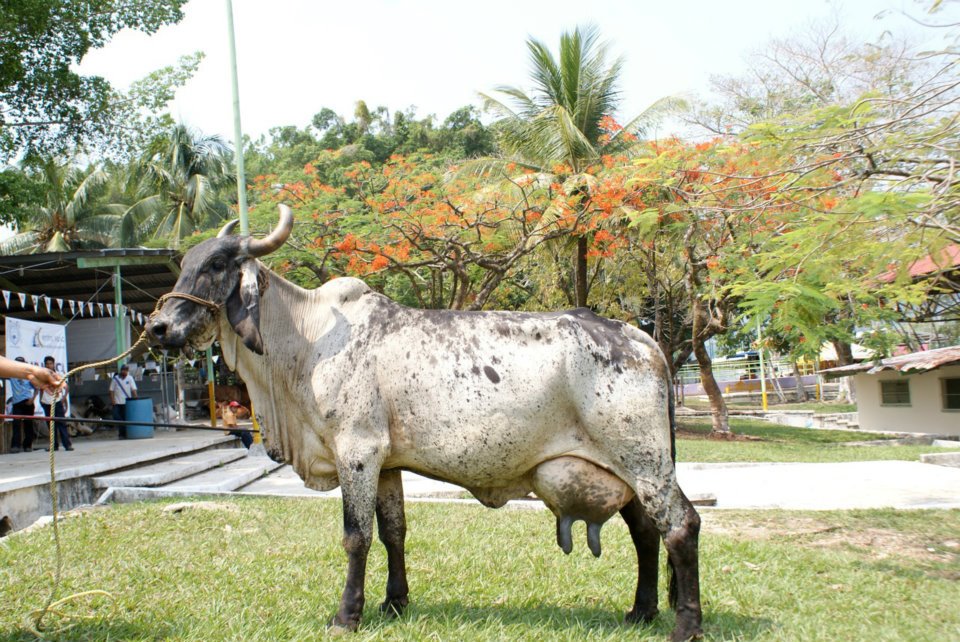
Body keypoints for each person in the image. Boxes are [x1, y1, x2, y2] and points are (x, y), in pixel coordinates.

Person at [5, 356, 42, 452]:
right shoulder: (11, 375)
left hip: (27, 401)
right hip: (17, 402)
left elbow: (37, 387)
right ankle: (15, 446)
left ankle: (27, 445)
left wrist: (32, 399)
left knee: (28, 424)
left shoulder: (29, 376)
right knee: (16, 424)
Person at [39, 355, 72, 451]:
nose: (49, 365)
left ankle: (67, 445)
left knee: (62, 423)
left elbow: (66, 387)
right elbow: (41, 389)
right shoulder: (42, 377)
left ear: (53, 364)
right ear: (44, 365)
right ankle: (54, 446)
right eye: (47, 364)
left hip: (57, 402)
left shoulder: (57, 376)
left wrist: (64, 398)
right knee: (51, 425)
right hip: (46, 402)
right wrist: (41, 400)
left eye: (50, 363)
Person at [109, 364, 137, 439]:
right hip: (117, 403)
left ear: (127, 371)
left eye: (125, 370)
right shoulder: (115, 379)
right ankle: (122, 432)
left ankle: (122, 434)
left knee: (125, 418)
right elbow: (111, 390)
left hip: (126, 402)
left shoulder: (130, 378)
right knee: (116, 417)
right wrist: (112, 400)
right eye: (123, 370)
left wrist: (135, 399)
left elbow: (133, 389)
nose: (124, 372)